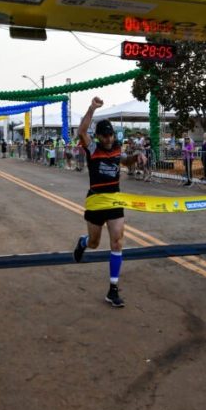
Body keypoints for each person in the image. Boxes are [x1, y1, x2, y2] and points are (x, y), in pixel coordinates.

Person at [73, 97, 126, 308]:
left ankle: (113, 289)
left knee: (117, 241)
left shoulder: (118, 147)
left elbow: (124, 161)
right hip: (95, 201)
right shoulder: (93, 149)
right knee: (95, 243)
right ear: (99, 136)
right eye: (104, 136)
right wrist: (92, 108)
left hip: (114, 200)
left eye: (110, 135)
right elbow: (81, 132)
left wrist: (137, 158)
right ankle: (83, 242)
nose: (108, 139)